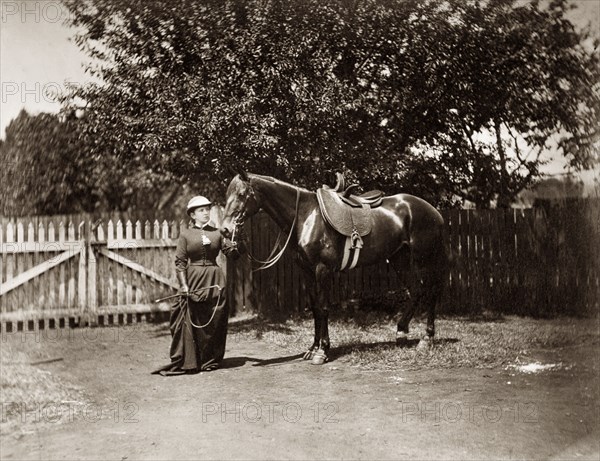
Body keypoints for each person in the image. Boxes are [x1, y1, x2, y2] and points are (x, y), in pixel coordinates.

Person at [152, 195, 245, 376]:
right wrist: (184, 285)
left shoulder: (218, 233)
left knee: (215, 319)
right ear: (192, 215)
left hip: (215, 280)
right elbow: (180, 262)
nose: (206, 213)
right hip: (193, 279)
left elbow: (232, 255)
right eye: (201, 210)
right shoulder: (186, 234)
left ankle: (210, 359)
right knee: (188, 317)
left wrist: (237, 244)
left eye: (207, 209)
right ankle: (190, 360)